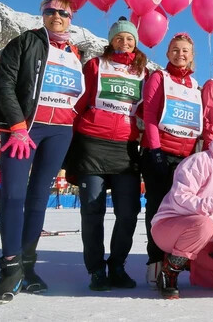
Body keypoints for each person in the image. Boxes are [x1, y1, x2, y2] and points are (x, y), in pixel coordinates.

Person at [0, 0, 85, 304]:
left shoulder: (75, 52)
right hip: (25, 128)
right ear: (43, 14)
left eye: (63, 12)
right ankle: (10, 268)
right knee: (13, 195)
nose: (56, 15)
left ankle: (28, 267)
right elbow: (3, 84)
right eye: (50, 11)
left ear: (71, 17)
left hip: (61, 131)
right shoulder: (25, 41)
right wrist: (16, 124)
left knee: (39, 197)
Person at [67, 17, 148, 291]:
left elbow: (147, 112)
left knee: (128, 212)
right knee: (92, 211)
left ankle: (116, 265)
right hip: (92, 143)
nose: (124, 43)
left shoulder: (144, 73)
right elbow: (79, 103)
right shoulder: (95, 65)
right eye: (119, 38)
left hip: (125, 148)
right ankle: (95, 270)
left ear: (135, 43)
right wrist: (72, 150)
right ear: (111, 41)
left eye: (129, 39)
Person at [151, 117, 213, 299]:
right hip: (169, 228)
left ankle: (191, 261)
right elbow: (180, 197)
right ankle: (169, 271)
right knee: (204, 224)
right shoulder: (199, 162)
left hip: (204, 239)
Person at [140, 32, 202, 287]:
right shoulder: (158, 77)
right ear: (168, 53)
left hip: (184, 157)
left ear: (192, 56)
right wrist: (154, 150)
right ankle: (155, 260)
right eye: (175, 50)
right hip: (159, 152)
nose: (180, 54)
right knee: (157, 208)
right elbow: (151, 116)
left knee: (181, 209)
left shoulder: (195, 85)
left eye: (185, 51)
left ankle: (174, 260)